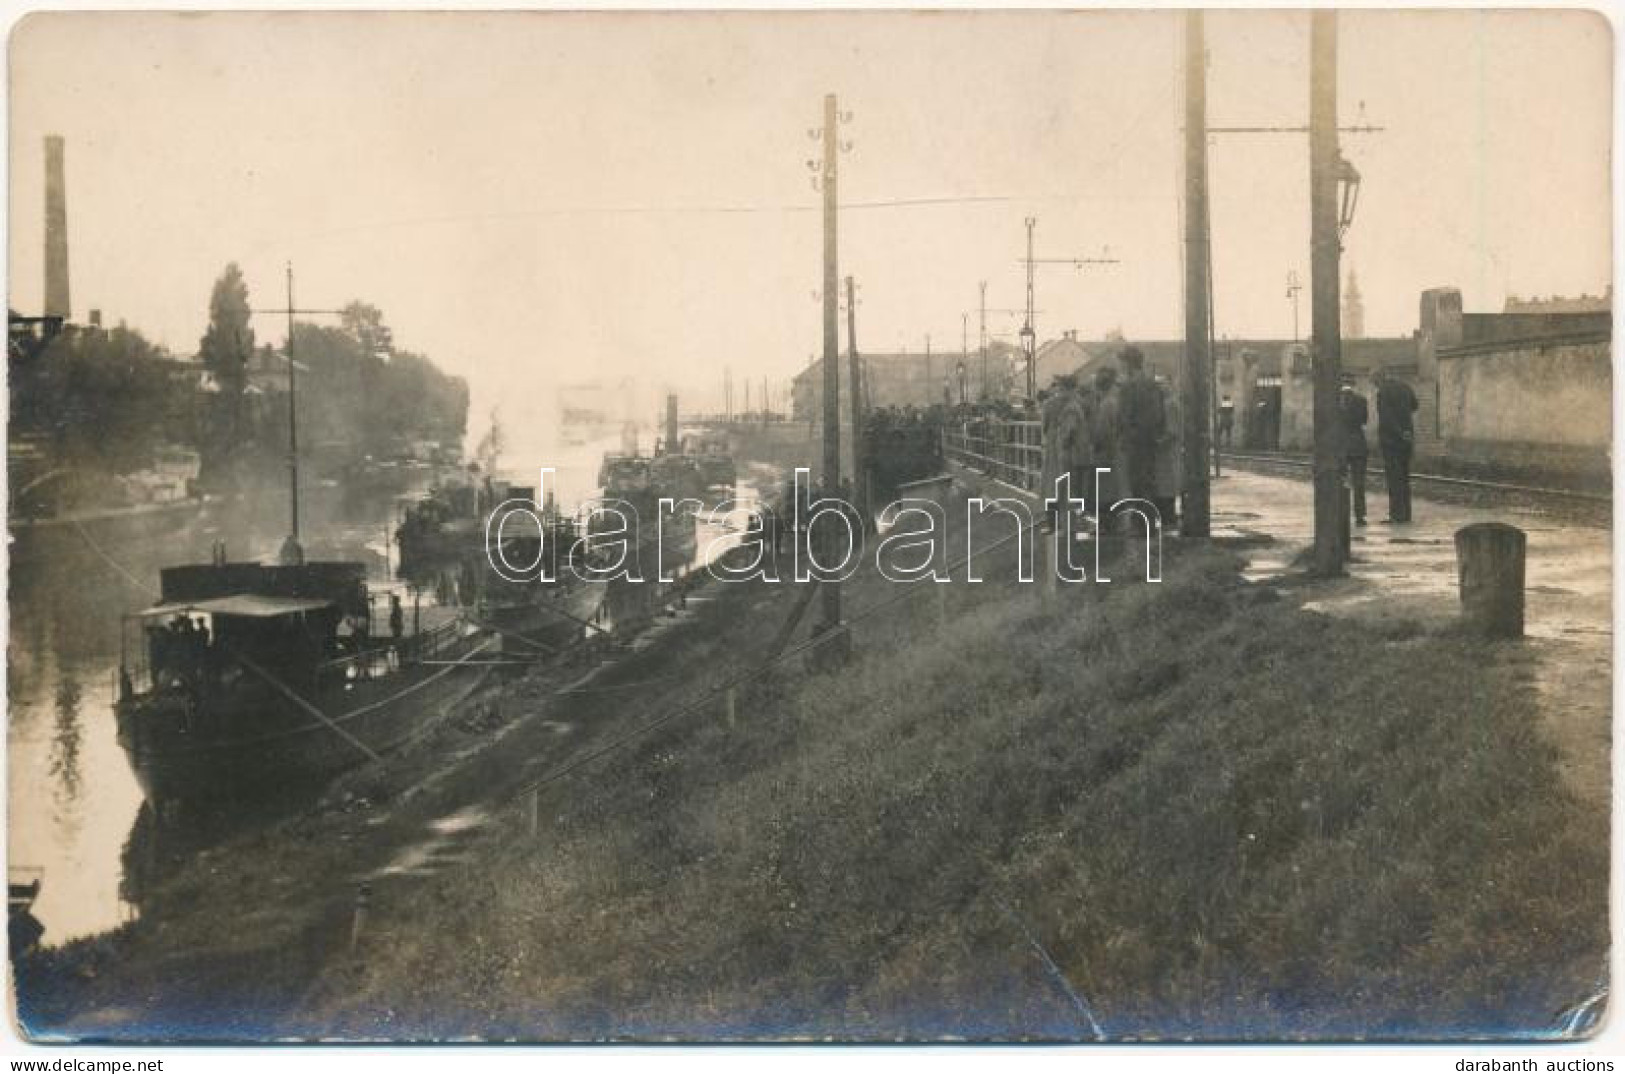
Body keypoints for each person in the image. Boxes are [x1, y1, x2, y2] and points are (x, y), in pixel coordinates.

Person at [1114, 347, 1165, 505]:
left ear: (1128, 364)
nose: (1120, 366)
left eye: (1122, 362)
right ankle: (1149, 521)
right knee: (1149, 481)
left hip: (1134, 441)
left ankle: (1140, 524)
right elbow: (1160, 415)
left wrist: (1123, 436)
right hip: (1150, 440)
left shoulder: (1128, 387)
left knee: (1136, 483)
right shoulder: (1153, 384)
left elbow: (1123, 416)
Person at [1375, 369, 1418, 523]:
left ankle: (1396, 515)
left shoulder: (1382, 392)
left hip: (1391, 441)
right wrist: (1405, 429)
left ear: (1378, 379)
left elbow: (1386, 418)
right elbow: (1415, 405)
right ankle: (1406, 514)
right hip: (1407, 439)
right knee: (1404, 477)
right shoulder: (1406, 387)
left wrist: (1399, 432)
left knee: (1394, 478)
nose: (1375, 386)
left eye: (1374, 382)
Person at [1339, 377, 1370, 526]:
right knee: (1359, 482)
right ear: (1353, 385)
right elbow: (1364, 421)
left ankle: (1339, 514)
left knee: (1339, 481)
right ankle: (1360, 516)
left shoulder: (1335, 401)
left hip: (1340, 446)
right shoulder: (1362, 400)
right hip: (1358, 444)